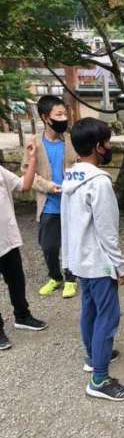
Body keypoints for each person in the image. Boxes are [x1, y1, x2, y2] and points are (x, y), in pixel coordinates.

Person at [61, 117, 124, 402]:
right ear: (96, 146)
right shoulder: (100, 183)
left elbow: (66, 223)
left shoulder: (70, 177)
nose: (109, 147)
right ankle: (100, 379)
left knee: (89, 308)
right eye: (107, 142)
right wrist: (121, 266)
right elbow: (107, 231)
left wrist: (67, 260)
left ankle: (93, 357)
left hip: (80, 260)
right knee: (108, 316)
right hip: (99, 262)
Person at [21, 95, 78, 299]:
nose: (64, 118)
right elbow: (26, 172)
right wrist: (47, 186)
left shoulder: (71, 140)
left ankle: (71, 279)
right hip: (48, 205)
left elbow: (80, 165)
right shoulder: (34, 143)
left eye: (65, 114)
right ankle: (55, 277)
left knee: (72, 243)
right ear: (46, 118)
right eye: (59, 115)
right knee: (49, 246)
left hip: (71, 202)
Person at [0, 142, 47, 350]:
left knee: (17, 280)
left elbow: (24, 185)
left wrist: (32, 158)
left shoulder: (0, 172)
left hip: (7, 239)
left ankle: (22, 315)